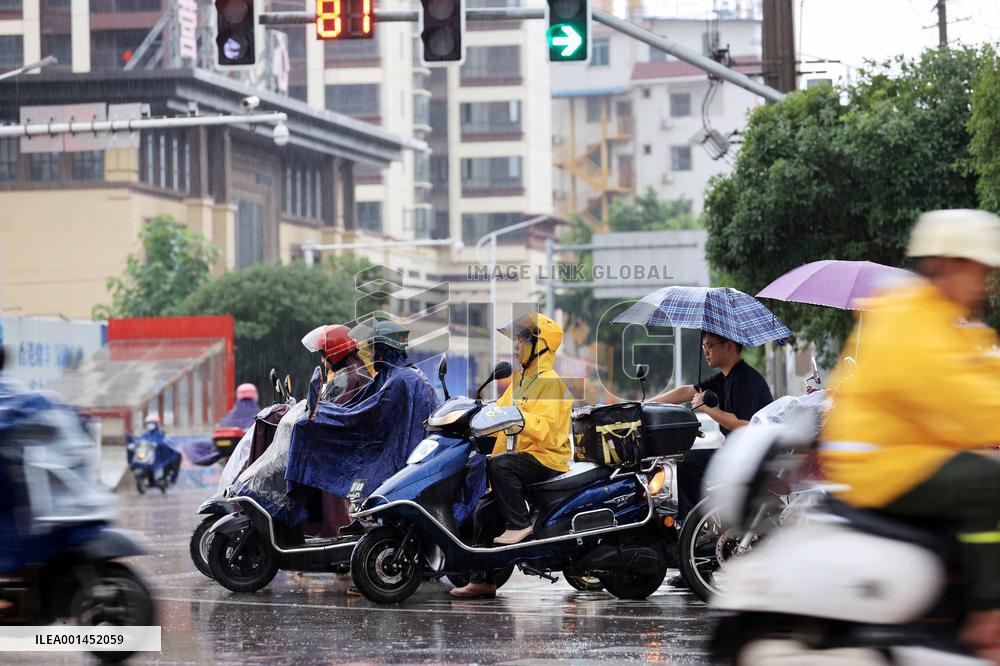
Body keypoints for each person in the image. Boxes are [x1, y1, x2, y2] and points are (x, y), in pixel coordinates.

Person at [820, 209, 1000, 662]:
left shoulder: (945, 320)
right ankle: (989, 619)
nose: (985, 284)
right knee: (984, 481)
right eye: (980, 271)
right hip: (878, 464)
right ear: (947, 265)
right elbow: (968, 401)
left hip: (905, 454)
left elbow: (985, 374)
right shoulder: (912, 321)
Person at [450, 312, 573, 600]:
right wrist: (473, 416)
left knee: (501, 465)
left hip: (546, 458)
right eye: (516, 339)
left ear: (540, 345)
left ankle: (520, 525)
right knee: (483, 510)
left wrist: (518, 418)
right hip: (522, 459)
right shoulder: (520, 381)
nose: (516, 345)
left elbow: (547, 430)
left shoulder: (551, 382)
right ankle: (484, 580)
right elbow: (498, 414)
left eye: (522, 340)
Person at [651, 331, 773, 521]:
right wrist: (646, 405)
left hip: (752, 455)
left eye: (710, 346)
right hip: (737, 452)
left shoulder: (744, 378)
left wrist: (706, 408)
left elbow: (743, 425)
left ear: (729, 345)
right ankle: (702, 521)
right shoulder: (724, 377)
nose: (706, 352)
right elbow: (685, 392)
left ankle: (697, 523)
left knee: (689, 462)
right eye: (704, 347)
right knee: (685, 460)